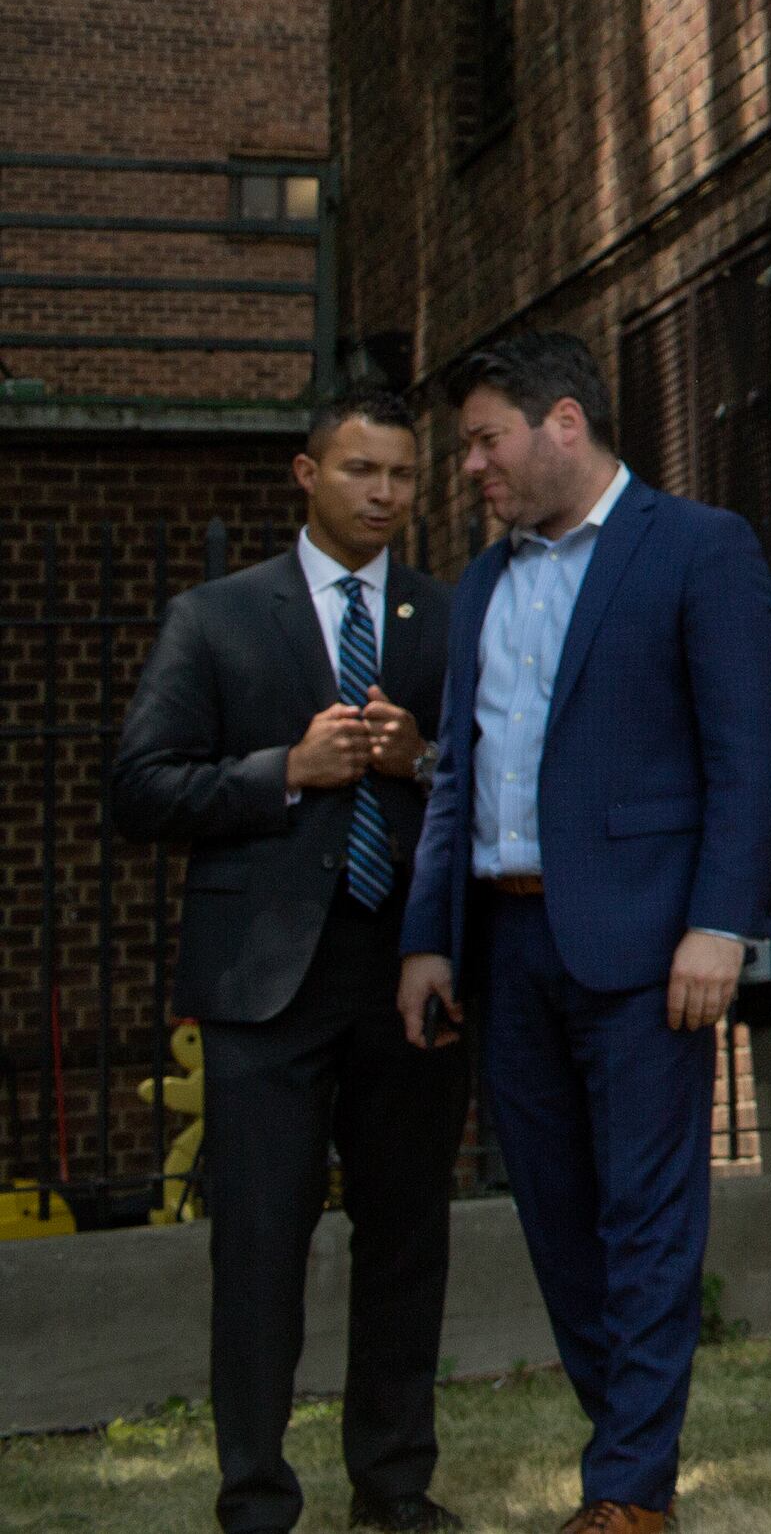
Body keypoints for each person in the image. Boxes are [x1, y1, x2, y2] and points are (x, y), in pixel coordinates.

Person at [393, 335, 771, 1534]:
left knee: (645, 1216)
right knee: (558, 1221)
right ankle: (629, 1448)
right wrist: (427, 937)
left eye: (484, 438)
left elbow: (747, 752)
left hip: (646, 946)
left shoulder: (696, 546)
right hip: (507, 948)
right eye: (465, 446)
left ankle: (627, 1491)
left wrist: (720, 921)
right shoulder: (480, 588)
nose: (469, 465)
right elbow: (459, 771)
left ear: (564, 421)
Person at [106, 389, 468, 1534]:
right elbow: (140, 786)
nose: (385, 493)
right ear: (305, 474)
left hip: (407, 966)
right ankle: (256, 1494)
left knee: (408, 1231)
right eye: (361, 468)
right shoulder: (214, 616)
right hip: (264, 980)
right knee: (260, 1242)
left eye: (403, 474)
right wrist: (283, 771)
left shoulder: (446, 616)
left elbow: (493, 775)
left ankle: (395, 1485)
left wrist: (423, 758)